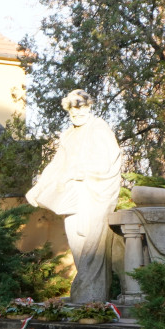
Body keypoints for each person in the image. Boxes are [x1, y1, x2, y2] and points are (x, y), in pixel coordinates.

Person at [27, 89, 126, 304]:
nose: (77, 116)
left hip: (95, 196)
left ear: (89, 107)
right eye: (73, 113)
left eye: (81, 111)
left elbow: (107, 163)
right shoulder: (69, 134)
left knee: (93, 247)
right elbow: (57, 163)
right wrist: (39, 186)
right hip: (73, 196)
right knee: (78, 246)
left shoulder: (99, 129)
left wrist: (78, 172)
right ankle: (86, 301)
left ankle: (90, 301)